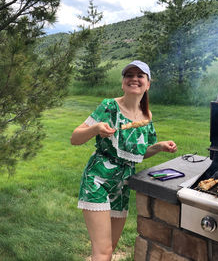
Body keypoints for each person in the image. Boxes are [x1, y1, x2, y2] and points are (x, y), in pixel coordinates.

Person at [70, 60, 177, 261]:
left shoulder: (146, 115)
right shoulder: (109, 107)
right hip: (98, 181)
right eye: (129, 75)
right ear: (123, 82)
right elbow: (75, 138)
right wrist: (95, 129)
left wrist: (160, 146)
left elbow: (140, 152)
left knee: (111, 247)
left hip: (123, 184)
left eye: (140, 76)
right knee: (103, 252)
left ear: (148, 84)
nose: (134, 79)